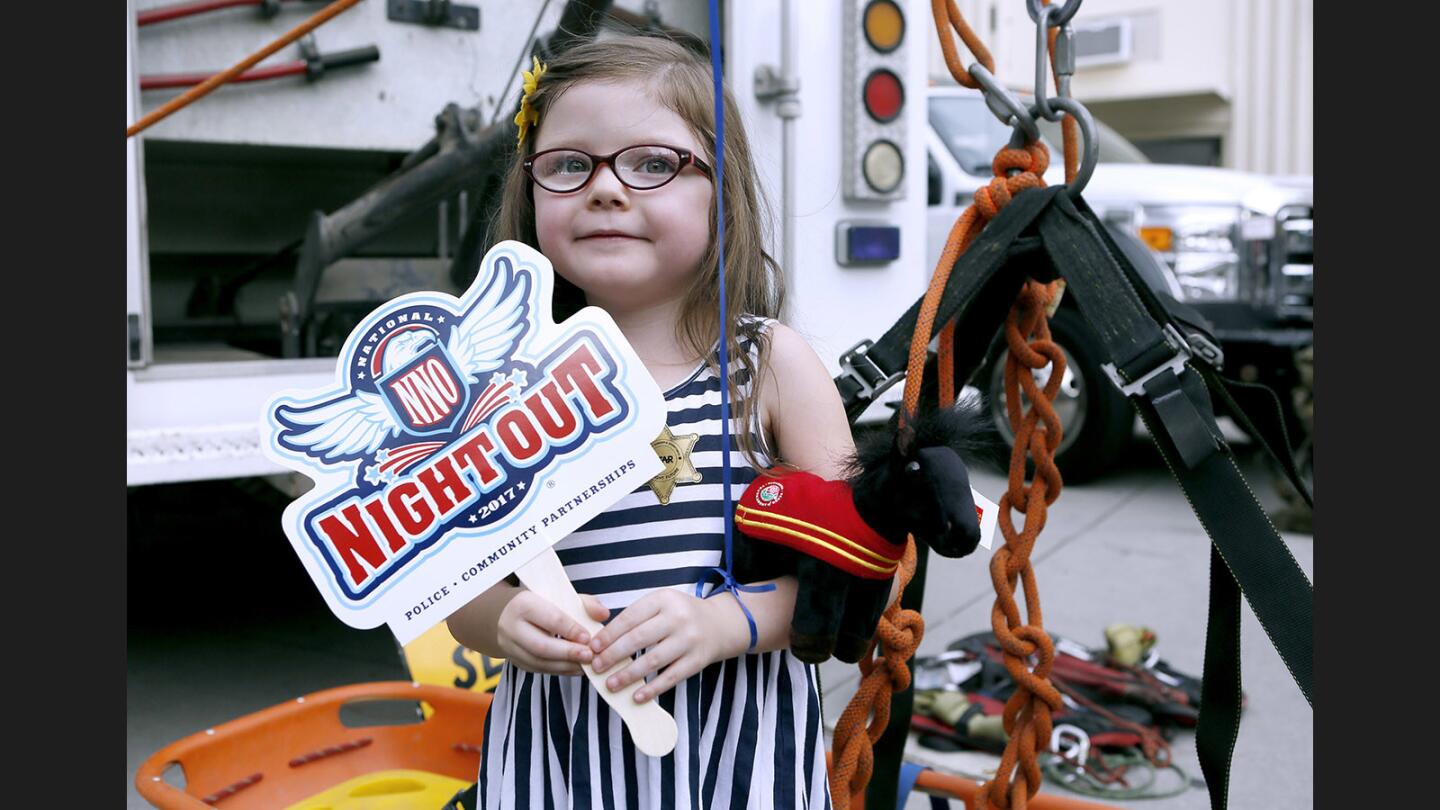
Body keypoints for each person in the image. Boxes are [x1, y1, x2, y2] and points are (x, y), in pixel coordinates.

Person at [446, 34, 873, 809]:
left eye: (652, 163)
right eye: (569, 164)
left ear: (723, 190)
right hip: (559, 750)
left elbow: (850, 572)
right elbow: (456, 587)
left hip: (737, 747)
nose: (605, 190)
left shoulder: (769, 365)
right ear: (529, 187)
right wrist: (502, 619)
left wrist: (723, 625)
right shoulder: (494, 391)